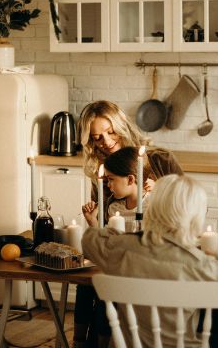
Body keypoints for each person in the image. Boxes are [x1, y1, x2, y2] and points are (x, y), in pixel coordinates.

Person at [83, 174, 218, 348]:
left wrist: (133, 237)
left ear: (152, 208)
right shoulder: (200, 262)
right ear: (195, 217)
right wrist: (214, 253)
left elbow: (90, 238)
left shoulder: (123, 248)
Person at [75, 100, 183, 348]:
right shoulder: (101, 173)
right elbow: (104, 227)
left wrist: (163, 190)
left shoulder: (160, 160)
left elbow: (186, 206)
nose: (106, 141)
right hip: (119, 254)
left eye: (110, 132)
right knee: (88, 282)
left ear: (122, 126)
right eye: (96, 137)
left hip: (157, 256)